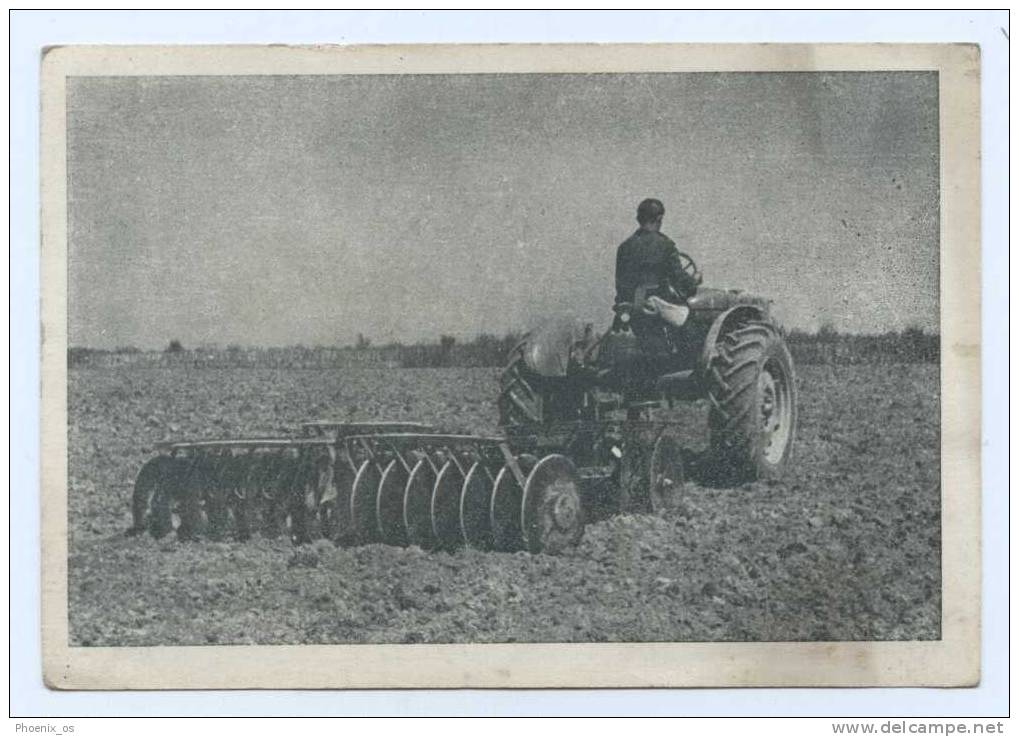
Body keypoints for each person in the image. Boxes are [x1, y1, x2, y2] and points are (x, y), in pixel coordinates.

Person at [614, 198, 700, 310]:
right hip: (656, 310)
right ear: (659, 218)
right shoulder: (665, 245)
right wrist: (694, 281)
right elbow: (679, 279)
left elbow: (621, 284)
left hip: (630, 308)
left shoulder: (624, 247)